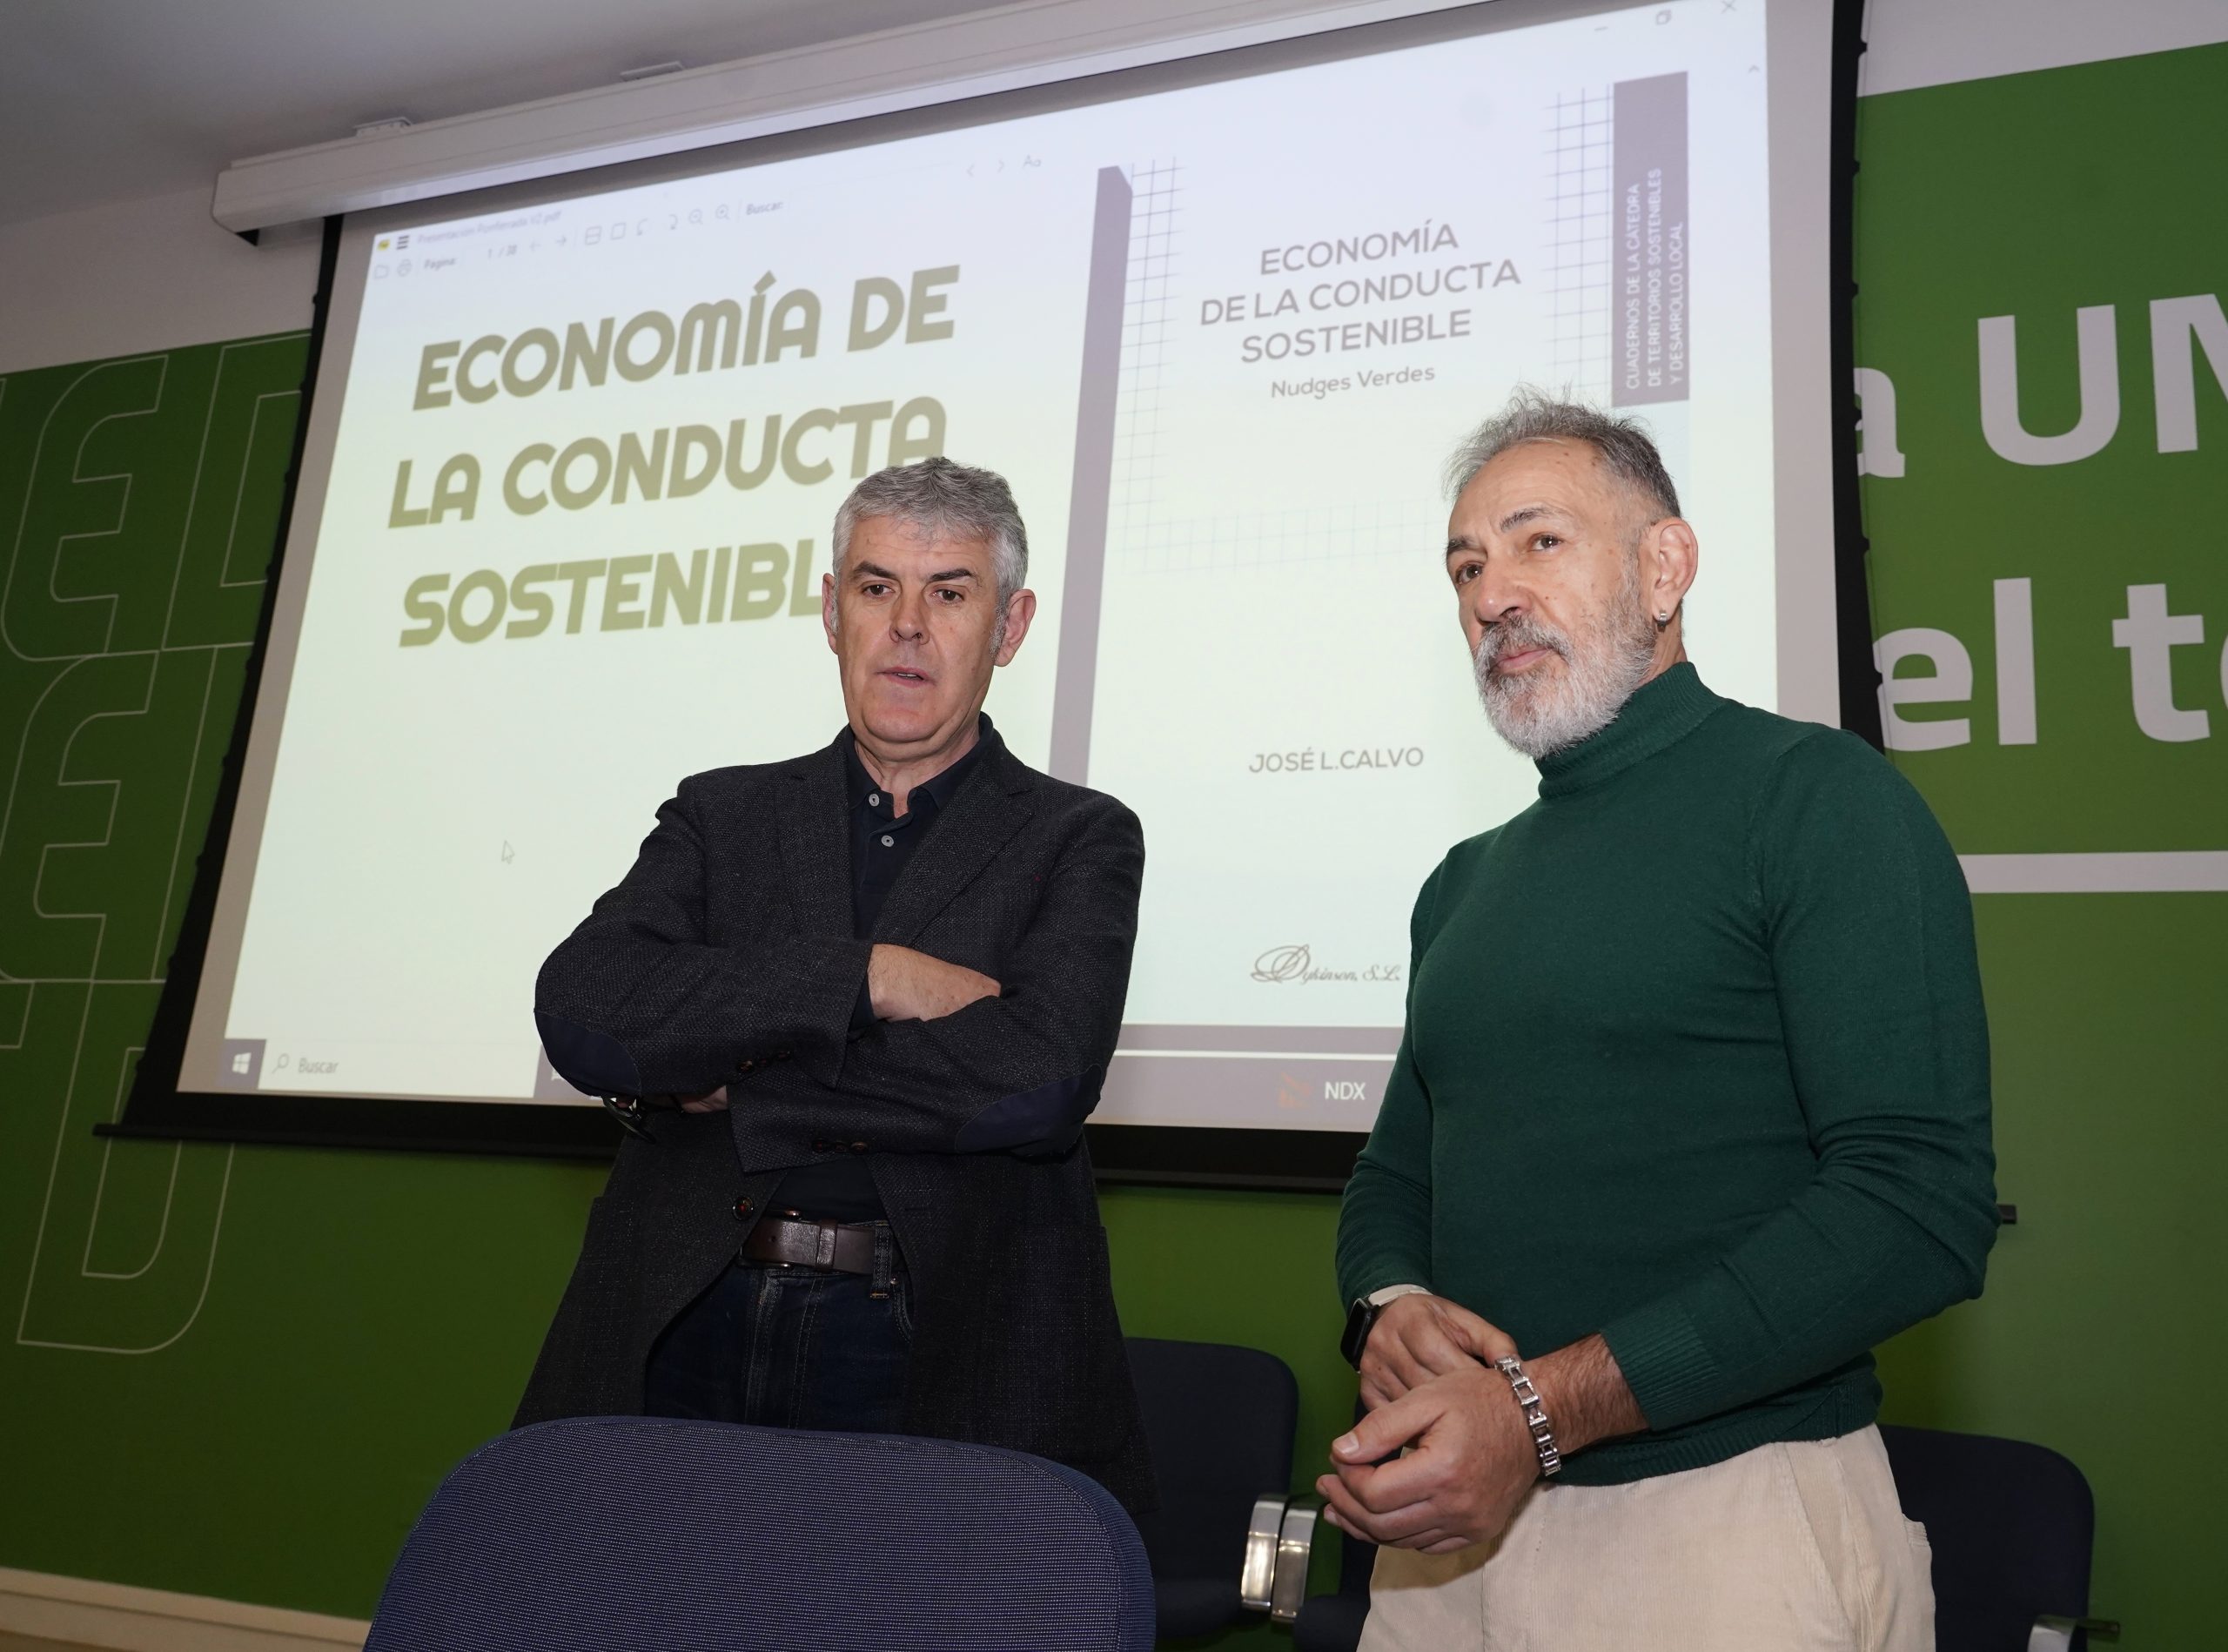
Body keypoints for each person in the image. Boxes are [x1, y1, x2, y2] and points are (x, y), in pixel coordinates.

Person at [1324, 392, 1996, 1650]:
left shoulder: (1818, 798)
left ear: (1665, 564)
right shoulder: (1462, 880)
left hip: (1732, 1523)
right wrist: (1390, 1302)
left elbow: (1918, 1206)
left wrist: (1539, 1410)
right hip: (1447, 1544)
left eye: (1537, 543)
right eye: (1466, 564)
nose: (1489, 594)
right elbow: (1393, 1176)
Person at [517, 456, 1152, 1512]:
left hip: (933, 1335)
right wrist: (871, 976)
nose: (907, 625)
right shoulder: (723, 816)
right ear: (829, 610)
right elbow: (585, 1007)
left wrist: (745, 1079)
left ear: (1010, 626)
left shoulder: (1077, 837)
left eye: (949, 592)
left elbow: (1034, 1080)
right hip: (682, 1309)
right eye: (875, 587)